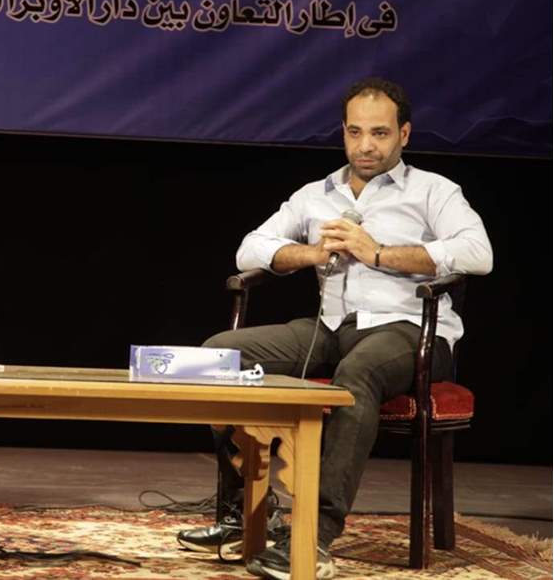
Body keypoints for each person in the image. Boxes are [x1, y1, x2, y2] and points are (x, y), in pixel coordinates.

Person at [176, 77, 493, 579]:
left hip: (411, 331)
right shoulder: (315, 195)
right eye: (355, 132)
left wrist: (378, 253)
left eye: (380, 133)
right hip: (331, 329)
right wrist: (310, 253)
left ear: (404, 134)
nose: (366, 145)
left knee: (358, 372)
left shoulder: (434, 191)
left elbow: (478, 254)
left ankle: (314, 537)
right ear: (343, 132)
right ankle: (247, 512)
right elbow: (249, 249)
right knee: (218, 355)